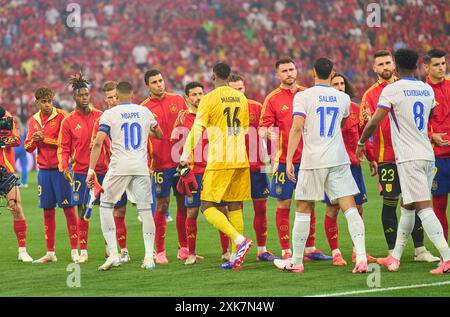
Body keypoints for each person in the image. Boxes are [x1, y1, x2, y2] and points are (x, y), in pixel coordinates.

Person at [358, 49, 450, 274]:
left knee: (423, 209)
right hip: (428, 155)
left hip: (409, 158)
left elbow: (374, 123)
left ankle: (447, 258)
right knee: (408, 208)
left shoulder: (391, 90)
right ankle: (395, 257)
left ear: (396, 67)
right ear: (418, 66)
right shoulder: (426, 89)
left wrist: (361, 143)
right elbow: (427, 118)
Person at [274, 57, 368, 273]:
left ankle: (296, 262)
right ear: (332, 72)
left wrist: (288, 160)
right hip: (338, 158)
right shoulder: (343, 98)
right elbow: (342, 122)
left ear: (313, 72)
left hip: (313, 160)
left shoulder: (303, 96)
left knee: (303, 207)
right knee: (350, 207)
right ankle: (361, 258)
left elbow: (297, 128)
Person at [178, 62, 253, 270]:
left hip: (220, 159)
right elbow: (245, 130)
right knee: (235, 205)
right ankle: (236, 258)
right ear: (230, 76)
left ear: (213, 76)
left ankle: (239, 241)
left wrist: (184, 154)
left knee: (207, 206)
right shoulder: (241, 98)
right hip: (240, 158)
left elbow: (197, 129)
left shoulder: (209, 99)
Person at [259, 57, 331, 261]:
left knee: (309, 203)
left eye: (292, 69)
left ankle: (310, 249)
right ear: (277, 75)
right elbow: (264, 127)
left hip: (309, 159)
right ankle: (286, 250)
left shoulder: (308, 94)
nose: (289, 73)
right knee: (284, 204)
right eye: (284, 70)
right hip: (284, 162)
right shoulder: (272, 99)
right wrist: (266, 134)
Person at [87, 81, 163, 271]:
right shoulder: (144, 111)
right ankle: (148, 257)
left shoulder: (109, 114)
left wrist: (90, 170)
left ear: (118, 96)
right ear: (132, 94)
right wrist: (147, 131)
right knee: (145, 211)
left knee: (105, 205)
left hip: (119, 167)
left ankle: (113, 253)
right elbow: (159, 134)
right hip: (140, 167)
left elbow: (98, 143)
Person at [323, 73, 377, 266]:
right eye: (335, 84)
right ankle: (336, 252)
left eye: (341, 84)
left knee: (359, 208)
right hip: (333, 165)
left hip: (353, 165)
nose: (339, 87)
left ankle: (357, 251)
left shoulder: (354, 109)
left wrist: (372, 158)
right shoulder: (325, 109)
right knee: (333, 208)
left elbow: (362, 136)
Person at [58, 72, 108, 264]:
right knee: (81, 211)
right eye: (80, 95)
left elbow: (109, 143)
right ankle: (83, 251)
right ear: (74, 97)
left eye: (87, 94)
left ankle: (109, 249)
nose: (84, 98)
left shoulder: (101, 116)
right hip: (80, 172)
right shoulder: (69, 121)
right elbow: (63, 148)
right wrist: (64, 166)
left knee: (106, 209)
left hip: (102, 170)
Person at [25, 87, 79, 263]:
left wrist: (44, 140)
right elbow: (28, 147)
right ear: (37, 103)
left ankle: (74, 251)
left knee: (68, 209)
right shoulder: (33, 121)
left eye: (50, 101)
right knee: (47, 211)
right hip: (43, 172)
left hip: (61, 170)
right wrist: (34, 139)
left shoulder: (63, 116)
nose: (48, 105)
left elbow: (67, 144)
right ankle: (50, 252)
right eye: (44, 102)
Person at [141, 70, 188, 264]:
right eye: (154, 82)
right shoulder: (143, 109)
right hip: (159, 164)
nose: (159, 84)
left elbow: (188, 126)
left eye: (161, 80)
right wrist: (146, 163)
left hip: (180, 162)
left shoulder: (177, 99)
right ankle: (159, 251)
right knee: (161, 204)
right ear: (148, 86)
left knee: (183, 203)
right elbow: (142, 139)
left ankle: (184, 247)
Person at [229, 73, 276, 261]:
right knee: (234, 210)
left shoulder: (257, 108)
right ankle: (233, 250)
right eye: (234, 90)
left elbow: (269, 133)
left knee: (261, 208)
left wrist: (273, 159)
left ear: (244, 88)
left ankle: (262, 250)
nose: (238, 93)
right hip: (234, 168)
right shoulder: (224, 111)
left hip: (258, 166)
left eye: (240, 89)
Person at [171, 81, 208, 265]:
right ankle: (190, 253)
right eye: (194, 94)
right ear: (187, 98)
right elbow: (175, 145)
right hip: (194, 173)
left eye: (201, 93)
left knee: (222, 210)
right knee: (191, 211)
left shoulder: (211, 114)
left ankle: (226, 252)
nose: (198, 97)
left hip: (212, 170)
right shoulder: (182, 118)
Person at [94, 81, 130, 262]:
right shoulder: (102, 119)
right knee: (107, 210)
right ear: (105, 99)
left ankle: (123, 249)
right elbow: (96, 145)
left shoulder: (128, 116)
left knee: (121, 210)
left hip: (125, 168)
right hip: (105, 171)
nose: (114, 100)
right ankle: (110, 246)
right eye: (110, 97)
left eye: (116, 96)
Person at [423, 49, 450, 242]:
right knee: (439, 207)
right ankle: (445, 253)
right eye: (436, 64)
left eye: (443, 63)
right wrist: (432, 136)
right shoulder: (422, 92)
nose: (441, 67)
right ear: (426, 67)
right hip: (437, 157)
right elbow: (415, 124)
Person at [0, 106, 33, 262]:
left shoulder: (6, 116)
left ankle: (22, 250)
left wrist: (2, 140)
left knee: (16, 207)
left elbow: (17, 139)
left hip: (5, 170)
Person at [13, 116, 28, 187]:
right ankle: (24, 182)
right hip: (22, 148)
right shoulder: (23, 129)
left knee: (11, 166)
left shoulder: (12, 129)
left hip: (15, 148)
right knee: (24, 166)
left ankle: (15, 181)